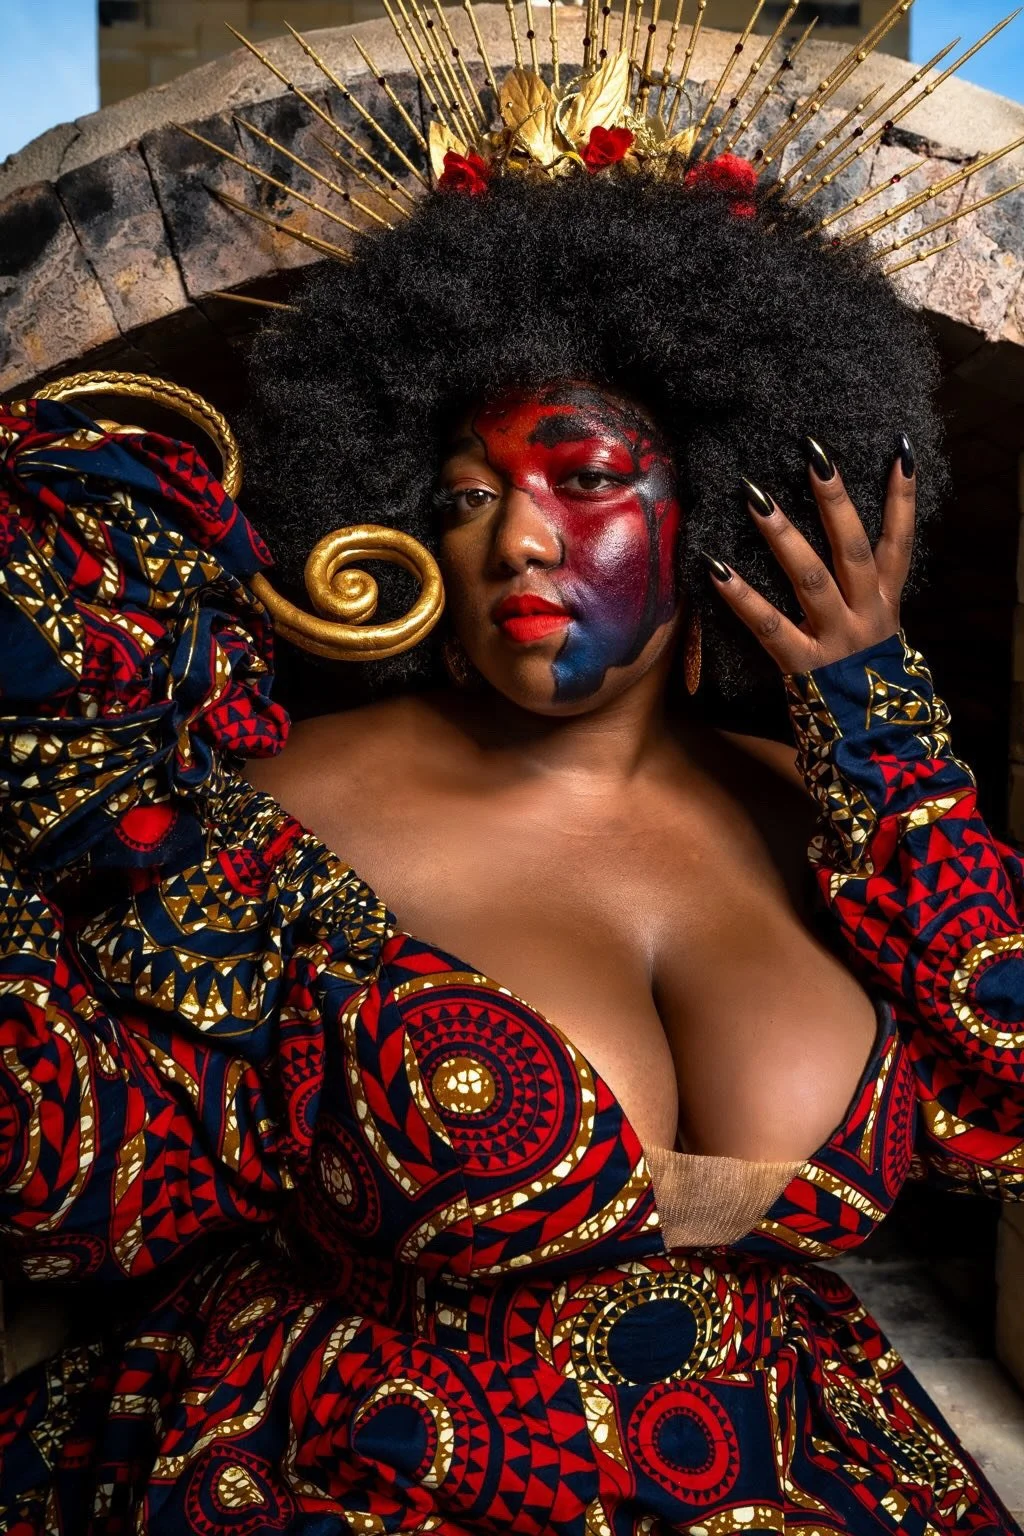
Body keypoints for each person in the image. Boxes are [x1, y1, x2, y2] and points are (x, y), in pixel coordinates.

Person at [1, 3, 1024, 1531]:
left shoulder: (826, 810)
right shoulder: (287, 805)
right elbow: (70, 1174)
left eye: (588, 478)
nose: (516, 538)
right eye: (468, 495)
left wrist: (877, 718)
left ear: (729, 495)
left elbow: (1004, 1083)